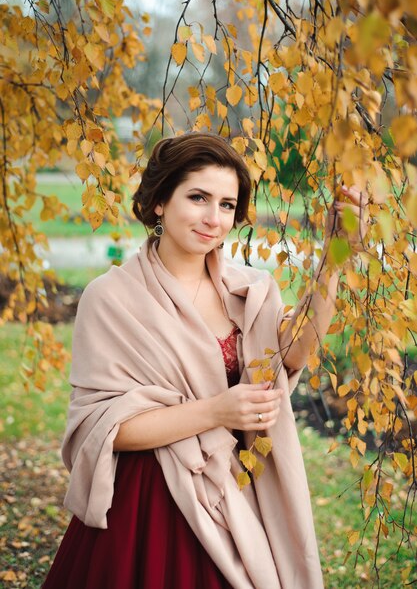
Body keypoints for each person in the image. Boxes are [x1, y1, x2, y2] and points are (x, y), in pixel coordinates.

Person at [43, 132, 367, 589]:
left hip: (237, 492)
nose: (213, 219)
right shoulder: (111, 298)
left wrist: (334, 258)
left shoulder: (250, 291)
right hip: (150, 502)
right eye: (198, 197)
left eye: (227, 205)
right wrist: (218, 411)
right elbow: (104, 428)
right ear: (159, 201)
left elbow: (294, 353)